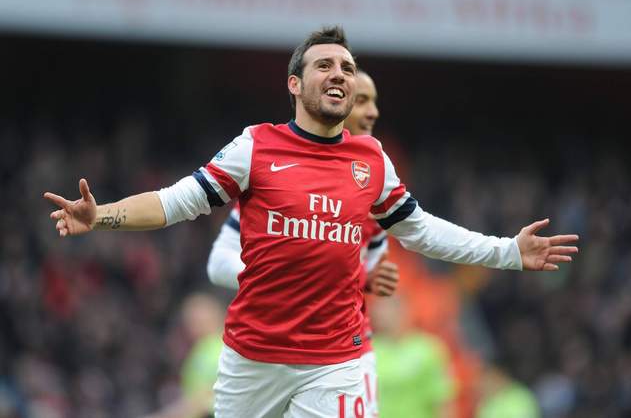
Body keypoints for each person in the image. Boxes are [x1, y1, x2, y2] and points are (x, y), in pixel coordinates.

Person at [44, 26, 579, 418]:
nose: (339, 73)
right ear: (295, 85)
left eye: (347, 67)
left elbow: (422, 230)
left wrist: (508, 251)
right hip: (253, 357)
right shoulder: (256, 147)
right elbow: (173, 202)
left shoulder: (371, 160)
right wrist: (103, 216)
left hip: (335, 360)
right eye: (325, 65)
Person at [206, 70, 399, 418]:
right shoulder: (279, 182)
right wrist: (280, 282)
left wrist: (367, 278)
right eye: (362, 101)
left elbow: (369, 276)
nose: (372, 113)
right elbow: (218, 263)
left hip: (347, 355)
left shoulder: (375, 182)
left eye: (374, 102)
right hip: (269, 354)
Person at [370, 294, 456, 418]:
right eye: (378, 308)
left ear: (402, 311)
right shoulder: (370, 350)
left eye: (385, 308)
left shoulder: (429, 349)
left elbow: (443, 399)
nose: (380, 313)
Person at [143, 293, 225, 418]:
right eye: (189, 319)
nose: (192, 325)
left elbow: (198, 402)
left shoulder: (212, 352)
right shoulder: (207, 349)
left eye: (197, 318)